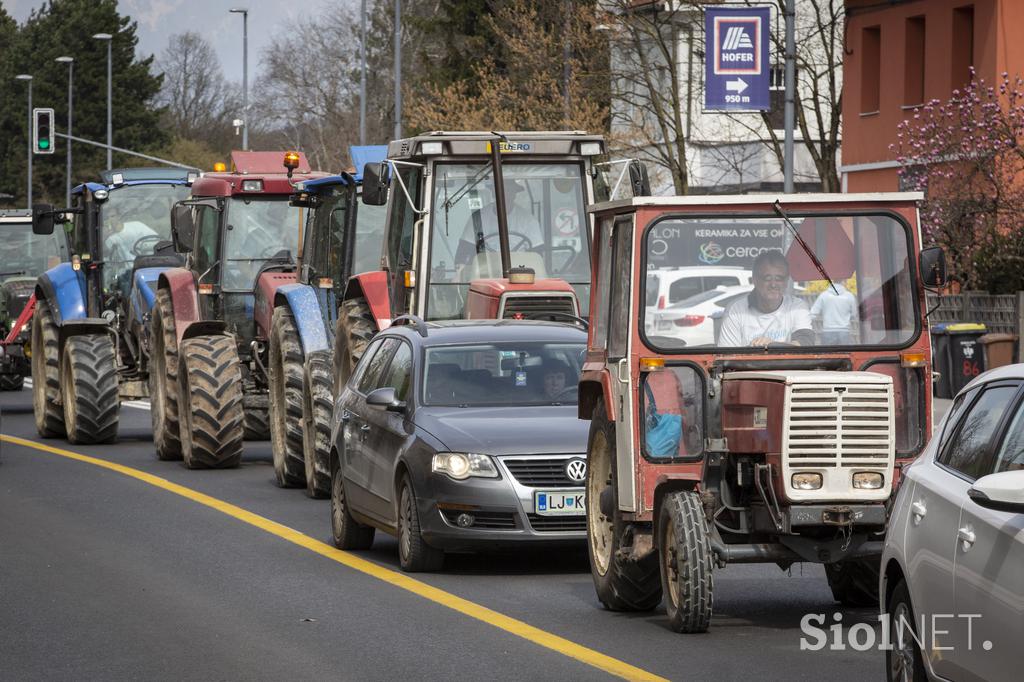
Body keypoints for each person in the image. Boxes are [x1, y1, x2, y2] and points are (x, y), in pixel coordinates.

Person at [718, 250, 814, 347]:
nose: (773, 284)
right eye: (767, 278)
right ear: (754, 279)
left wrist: (772, 346)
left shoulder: (797, 307)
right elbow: (727, 357)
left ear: (786, 281)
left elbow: (805, 343)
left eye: (779, 279)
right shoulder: (736, 310)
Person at [454, 179, 543, 267]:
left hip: (519, 273)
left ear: (514, 195)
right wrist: (460, 272)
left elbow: (537, 257)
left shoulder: (529, 220)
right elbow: (463, 252)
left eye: (509, 192)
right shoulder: (478, 218)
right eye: (501, 192)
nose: (505, 196)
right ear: (493, 193)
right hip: (485, 273)